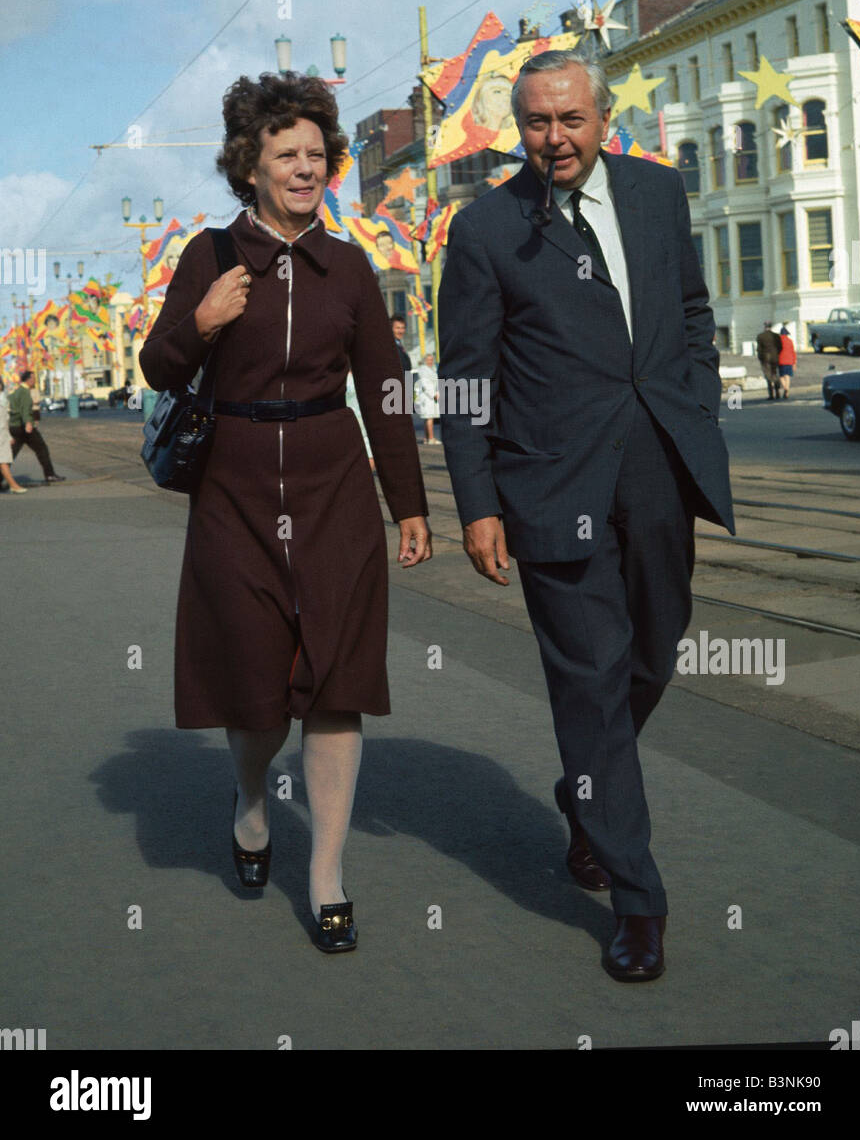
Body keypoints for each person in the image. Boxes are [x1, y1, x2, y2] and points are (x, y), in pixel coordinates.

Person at [438, 49, 734, 983]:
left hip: (655, 467)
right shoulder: (485, 227)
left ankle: (582, 793)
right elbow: (465, 380)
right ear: (515, 128)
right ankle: (637, 900)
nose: (553, 139)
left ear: (602, 118)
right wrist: (476, 504)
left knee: (654, 648)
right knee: (590, 685)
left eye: (569, 120)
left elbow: (690, 311)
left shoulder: (657, 195)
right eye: (534, 123)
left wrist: (693, 405)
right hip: (548, 487)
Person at [140, 71, 432, 952]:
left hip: (333, 486)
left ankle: (327, 874)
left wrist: (408, 503)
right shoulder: (208, 255)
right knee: (258, 690)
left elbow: (384, 391)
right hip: (232, 489)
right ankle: (250, 797)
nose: (305, 168)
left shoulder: (349, 265)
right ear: (250, 165)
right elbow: (158, 368)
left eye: (316, 155)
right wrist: (202, 318)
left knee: (336, 686)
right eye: (286, 154)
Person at [8, 370, 64, 484]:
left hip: (14, 426)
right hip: (24, 427)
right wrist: (28, 422)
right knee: (42, 449)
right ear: (28, 380)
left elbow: (12, 407)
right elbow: (25, 409)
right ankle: (50, 475)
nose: (34, 381)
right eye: (33, 378)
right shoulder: (24, 392)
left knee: (10, 455)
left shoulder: (16, 392)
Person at [0, 374, 27, 493]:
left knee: (3, 461)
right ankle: (13, 485)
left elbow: (5, 421)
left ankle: (12, 485)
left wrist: (9, 436)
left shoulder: (3, 399)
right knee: (3, 461)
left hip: (3, 435)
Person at [414, 352, 440, 444]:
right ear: (425, 360)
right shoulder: (423, 370)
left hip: (430, 396)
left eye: (432, 360)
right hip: (427, 397)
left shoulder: (431, 369)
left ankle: (426, 438)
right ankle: (431, 438)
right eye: (428, 360)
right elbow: (425, 384)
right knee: (429, 418)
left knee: (428, 418)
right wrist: (434, 394)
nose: (430, 361)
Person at [756, 321, 782, 401]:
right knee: (775, 374)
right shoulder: (776, 336)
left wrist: (760, 358)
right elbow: (780, 347)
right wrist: (777, 354)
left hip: (765, 358)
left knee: (768, 376)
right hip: (775, 357)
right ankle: (777, 391)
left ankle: (771, 394)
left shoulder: (760, 336)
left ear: (765, 327)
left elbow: (759, 349)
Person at [777, 325, 796, 400]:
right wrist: (794, 362)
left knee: (781, 376)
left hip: (781, 360)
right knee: (787, 376)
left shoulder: (778, 341)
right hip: (789, 360)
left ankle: (785, 387)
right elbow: (793, 352)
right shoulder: (790, 341)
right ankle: (787, 390)